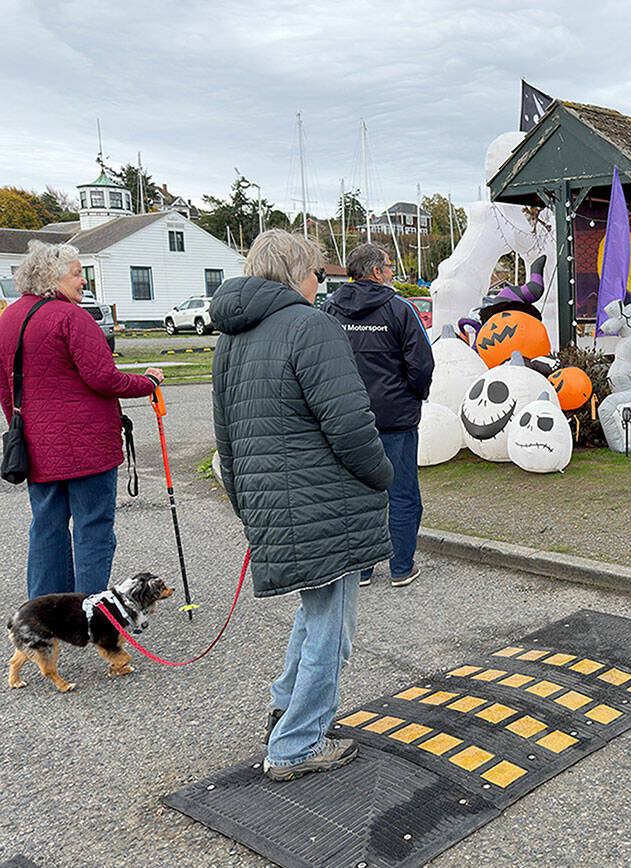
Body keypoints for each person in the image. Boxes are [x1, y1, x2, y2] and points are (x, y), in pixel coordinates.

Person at [210, 229, 393, 782]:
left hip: (274, 500)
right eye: (316, 272)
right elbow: (350, 424)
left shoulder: (232, 338)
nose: (321, 283)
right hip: (323, 502)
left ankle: (283, 708)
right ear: (297, 275)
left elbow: (225, 437)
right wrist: (384, 476)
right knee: (332, 626)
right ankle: (297, 743)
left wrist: (246, 503)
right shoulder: (310, 327)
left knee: (315, 615)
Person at [0, 240, 163, 599]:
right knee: (93, 527)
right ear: (52, 277)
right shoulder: (72, 317)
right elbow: (105, 378)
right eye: (77, 274)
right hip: (89, 447)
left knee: (47, 528)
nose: (83, 282)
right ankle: (90, 612)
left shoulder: (8, 317)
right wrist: (148, 383)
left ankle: (45, 614)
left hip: (35, 445)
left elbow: (5, 386)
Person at [325, 243, 433, 588]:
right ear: (375, 272)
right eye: (388, 267)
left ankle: (363, 568)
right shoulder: (401, 309)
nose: (391, 272)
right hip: (394, 420)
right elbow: (422, 364)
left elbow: (320, 365)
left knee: (358, 496)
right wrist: (414, 397)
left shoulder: (329, 310)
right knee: (402, 494)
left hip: (347, 421)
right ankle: (401, 567)